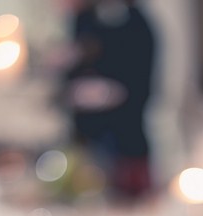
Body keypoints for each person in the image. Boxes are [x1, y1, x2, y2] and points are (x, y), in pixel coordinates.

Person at [66, 0, 155, 198]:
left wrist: (108, 92)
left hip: (127, 140)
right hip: (85, 141)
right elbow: (74, 71)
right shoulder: (83, 19)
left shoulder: (137, 23)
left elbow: (143, 82)